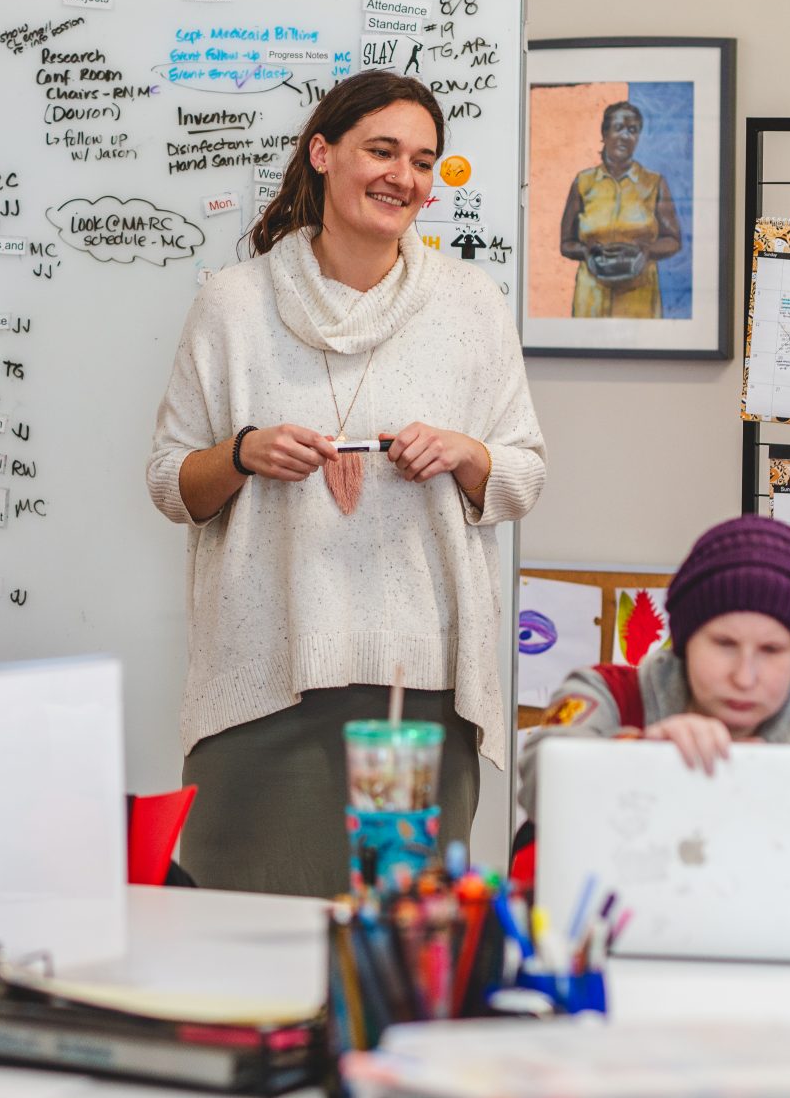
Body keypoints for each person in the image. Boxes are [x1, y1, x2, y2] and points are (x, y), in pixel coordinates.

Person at [146, 69, 547, 897]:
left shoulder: (472, 303)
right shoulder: (233, 305)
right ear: (322, 153)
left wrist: (464, 452)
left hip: (416, 692)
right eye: (383, 150)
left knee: (395, 949)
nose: (405, 175)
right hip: (264, 683)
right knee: (241, 943)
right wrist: (246, 450)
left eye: (425, 160)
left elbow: (522, 475)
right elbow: (169, 482)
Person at [515, 515, 790, 941]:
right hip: (599, 977)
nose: (745, 677)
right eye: (724, 644)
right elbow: (539, 776)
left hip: (763, 995)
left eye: (772, 650)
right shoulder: (607, 695)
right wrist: (638, 755)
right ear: (684, 639)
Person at [559, 100, 683, 319]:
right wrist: (588, 252)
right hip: (591, 296)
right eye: (618, 128)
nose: (625, 136)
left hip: (640, 296)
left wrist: (646, 251)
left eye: (632, 130)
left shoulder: (654, 182)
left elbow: (673, 240)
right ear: (604, 133)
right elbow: (566, 243)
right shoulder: (584, 182)